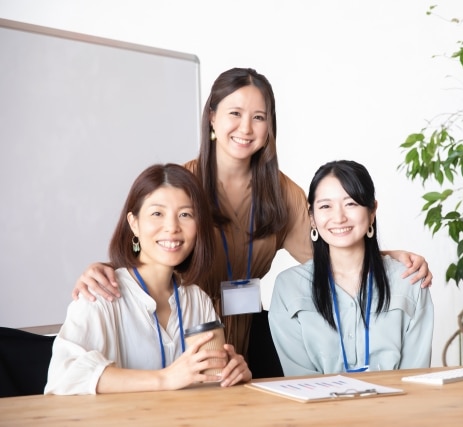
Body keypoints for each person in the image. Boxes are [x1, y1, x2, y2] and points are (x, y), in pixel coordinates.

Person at [71, 68, 433, 378]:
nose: (246, 127)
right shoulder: (181, 185)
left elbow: (333, 248)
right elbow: (149, 248)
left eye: (259, 117)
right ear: (212, 118)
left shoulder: (281, 192)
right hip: (189, 328)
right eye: (234, 113)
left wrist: (383, 255)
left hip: (247, 331)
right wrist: (103, 269)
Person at [45, 164, 251, 395]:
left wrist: (235, 375)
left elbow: (210, 385)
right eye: (157, 213)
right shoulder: (99, 292)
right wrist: (165, 379)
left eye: (185, 214)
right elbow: (64, 376)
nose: (172, 227)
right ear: (134, 223)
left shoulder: (197, 299)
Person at [268, 160, 434, 376]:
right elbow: (299, 381)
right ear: (312, 217)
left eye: (351, 203)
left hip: (396, 407)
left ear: (372, 211)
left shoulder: (409, 280)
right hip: (317, 408)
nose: (339, 217)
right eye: (326, 206)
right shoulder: (288, 287)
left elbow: (416, 377)